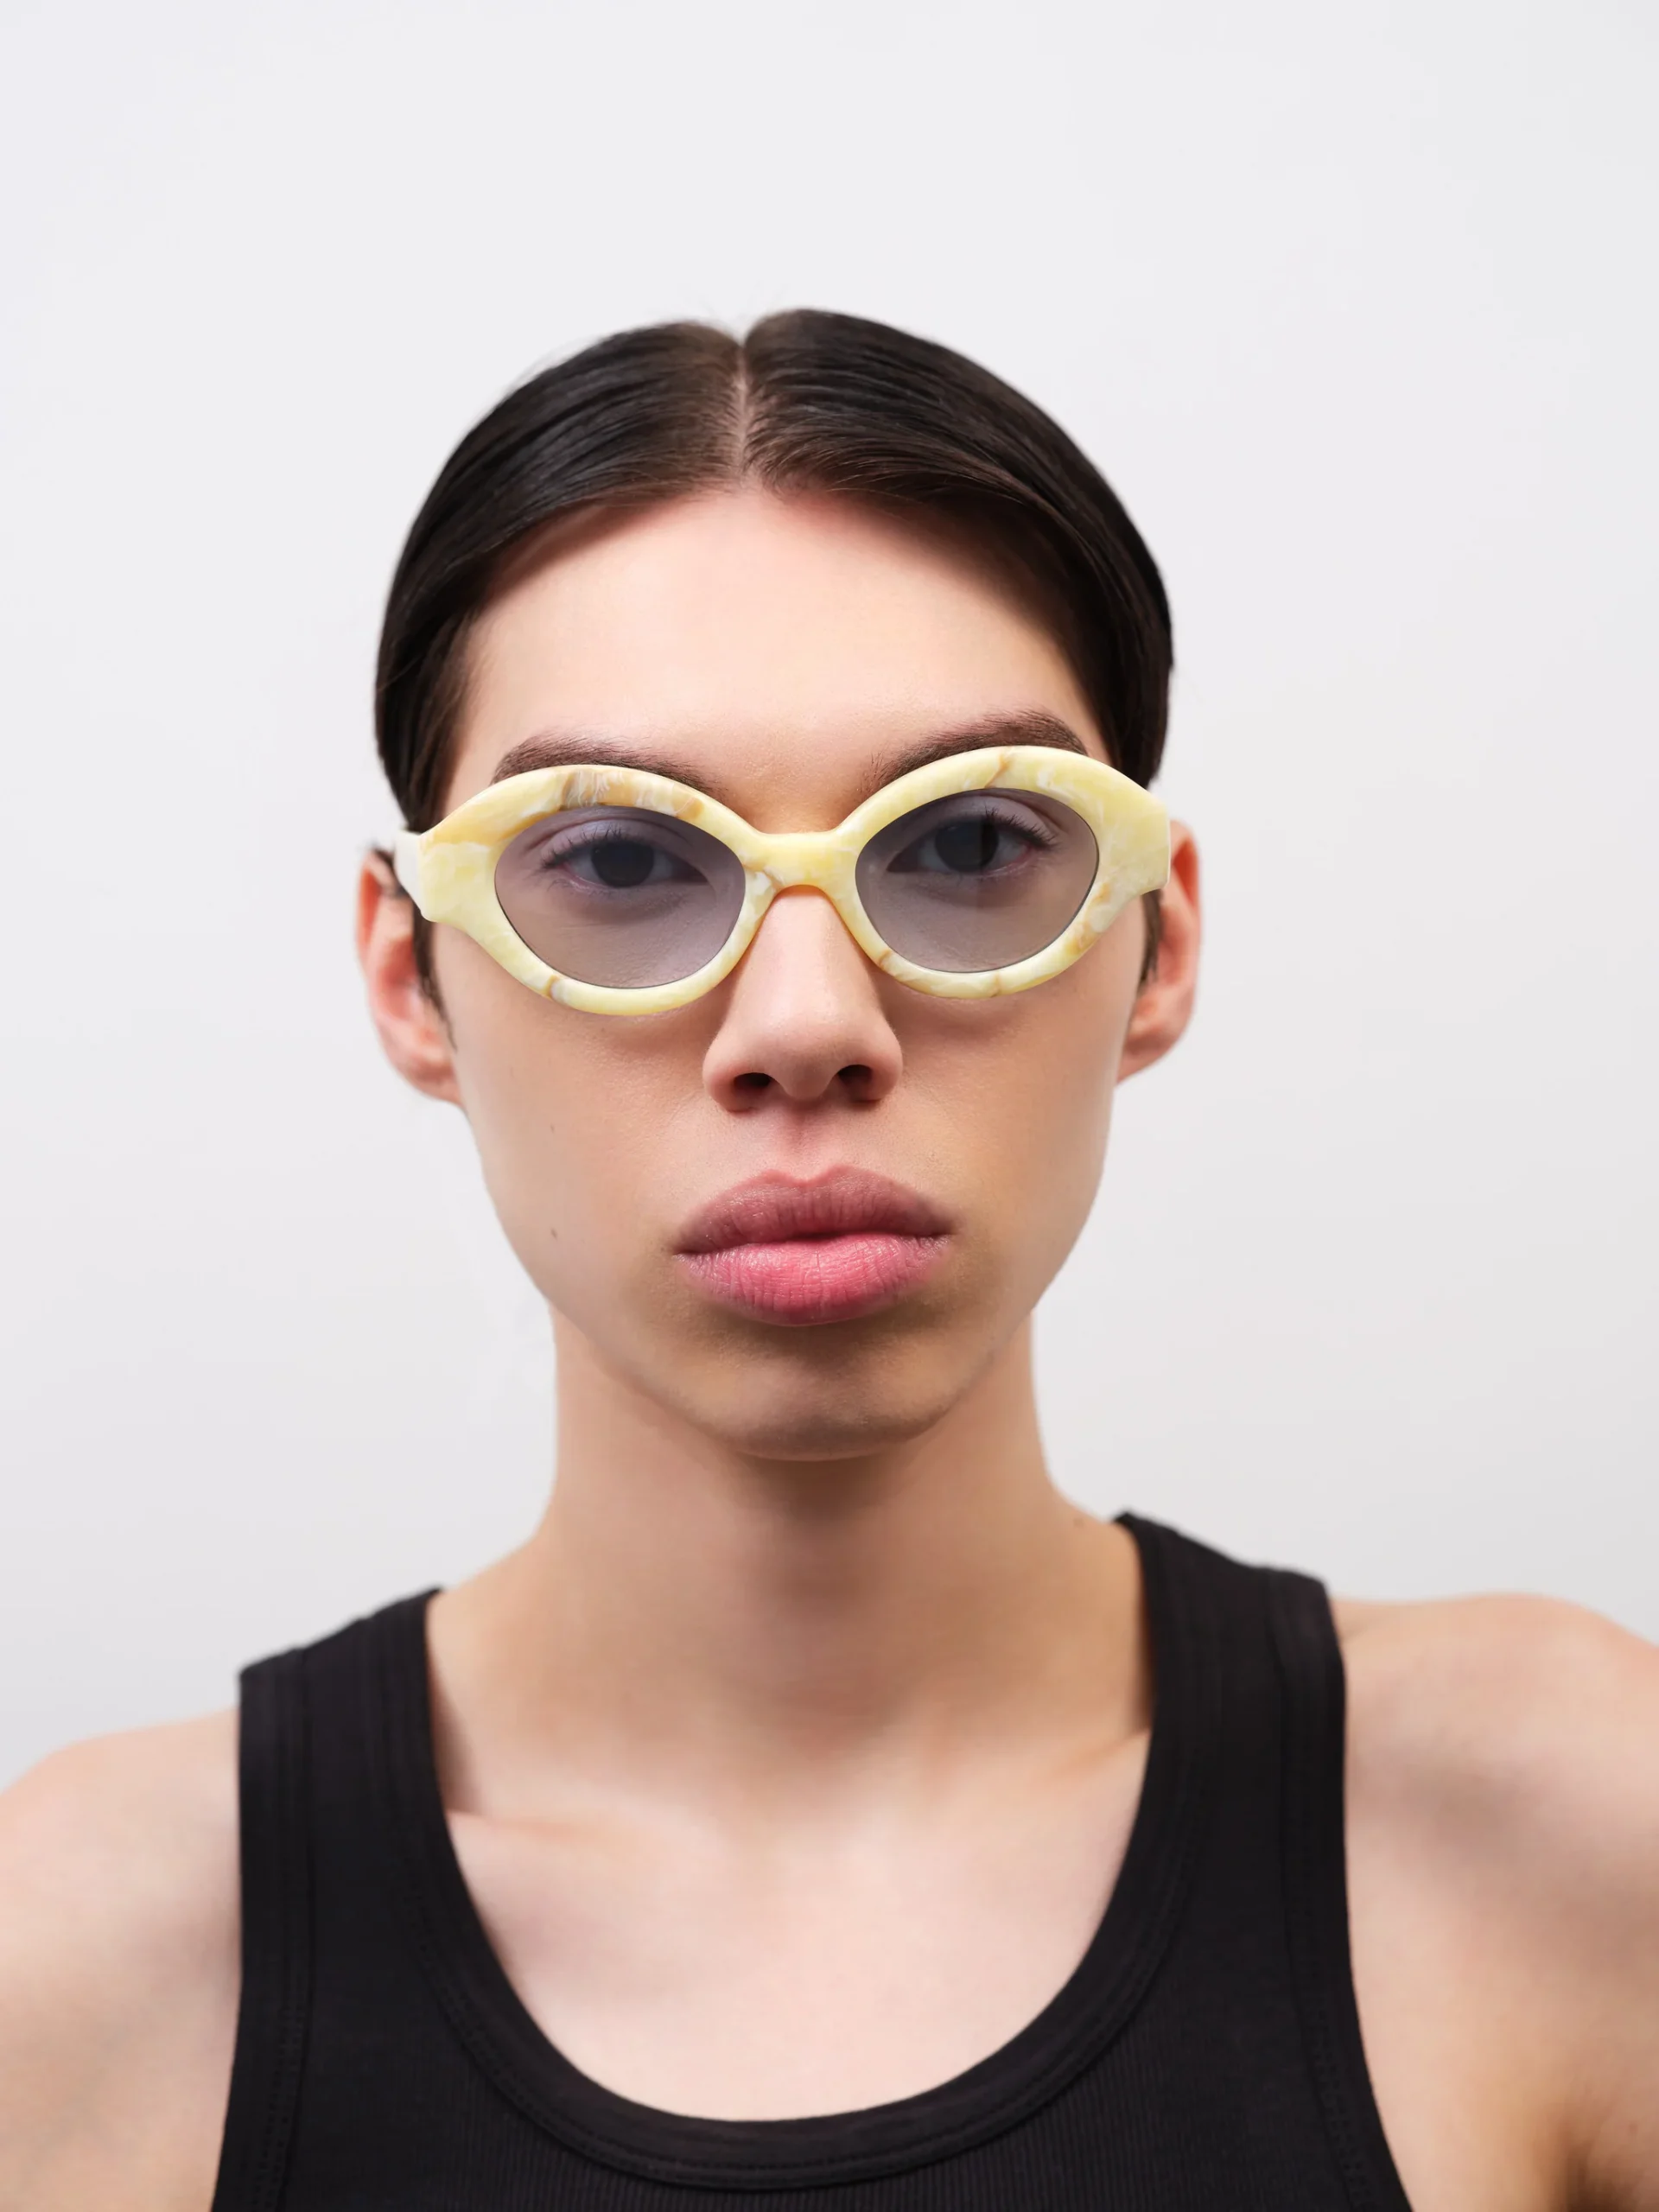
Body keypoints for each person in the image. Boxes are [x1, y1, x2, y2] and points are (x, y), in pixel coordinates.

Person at [0, 311, 1654, 2212]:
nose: (806, 1023)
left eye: (968, 840)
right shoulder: (90, 1962)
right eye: (620, 861)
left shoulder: (1569, 1832)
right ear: (411, 975)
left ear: (1160, 942)